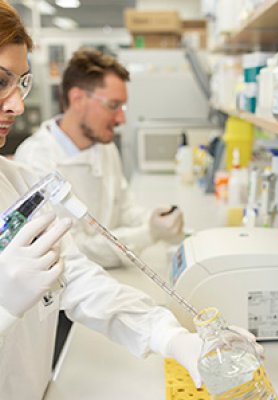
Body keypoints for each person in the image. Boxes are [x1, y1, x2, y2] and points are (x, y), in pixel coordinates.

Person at [0, 2, 210, 398]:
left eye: (21, 84)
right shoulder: (37, 161)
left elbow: (77, 275)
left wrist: (169, 336)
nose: (17, 105)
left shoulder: (19, 182)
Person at [15, 47, 184, 269]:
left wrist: (155, 220)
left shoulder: (104, 147)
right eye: (113, 106)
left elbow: (123, 208)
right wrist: (148, 233)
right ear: (77, 99)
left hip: (110, 278)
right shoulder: (35, 161)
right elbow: (73, 252)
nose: (122, 118)